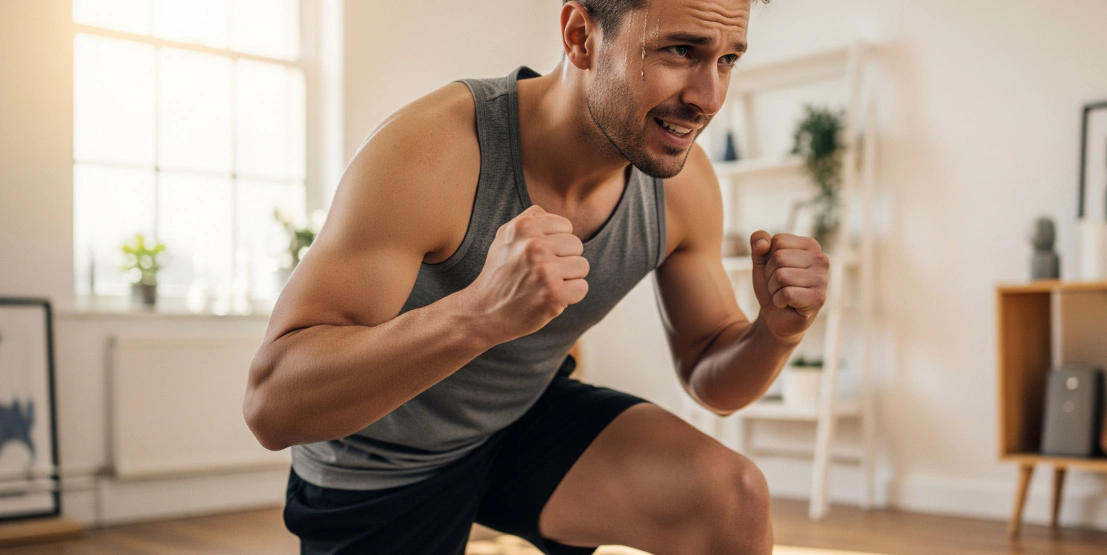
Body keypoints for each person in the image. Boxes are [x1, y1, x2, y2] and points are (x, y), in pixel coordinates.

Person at [243, 0, 828, 553]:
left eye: (727, 59)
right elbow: (274, 406)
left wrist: (776, 332)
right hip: (379, 460)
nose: (708, 96)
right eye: (679, 51)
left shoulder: (684, 184)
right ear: (580, 36)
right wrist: (478, 316)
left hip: (518, 418)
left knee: (732, 499)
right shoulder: (435, 151)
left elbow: (710, 374)